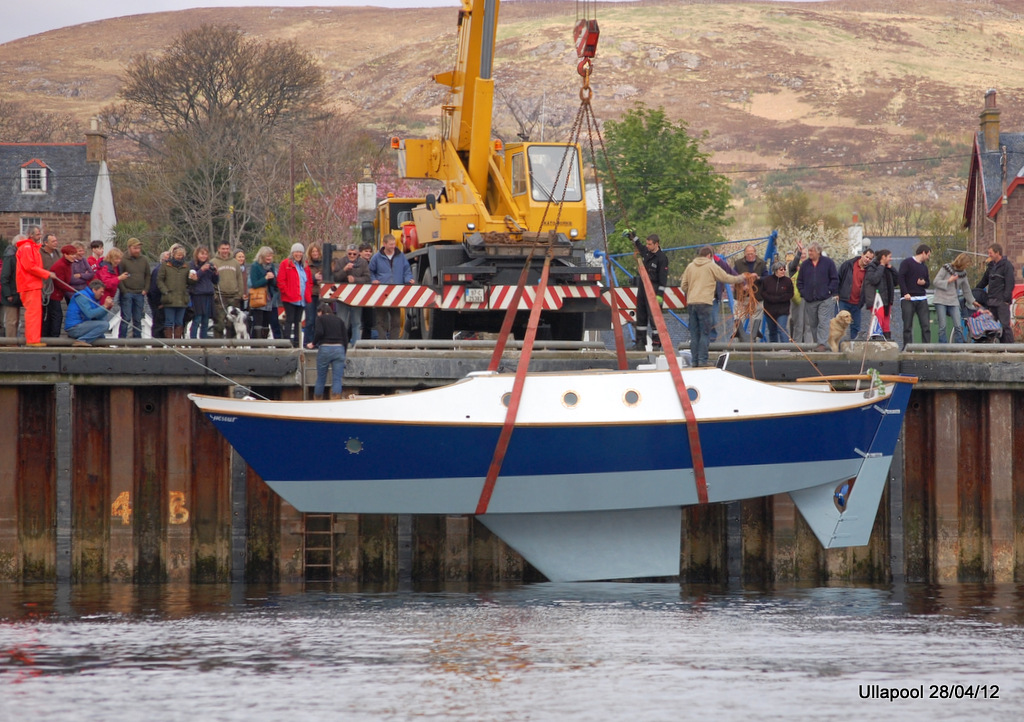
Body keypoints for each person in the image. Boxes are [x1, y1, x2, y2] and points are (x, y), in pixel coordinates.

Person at [680, 245, 748, 367]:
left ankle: (694, 361)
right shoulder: (711, 266)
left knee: (694, 334)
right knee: (705, 333)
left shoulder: (690, 266)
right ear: (709, 256)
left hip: (692, 303)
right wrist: (742, 278)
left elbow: (683, 285)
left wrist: (692, 292)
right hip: (705, 303)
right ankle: (702, 360)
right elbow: (726, 278)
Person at [628, 232, 669, 350]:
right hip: (643, 287)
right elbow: (639, 246)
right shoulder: (646, 252)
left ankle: (656, 343)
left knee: (654, 317)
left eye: (650, 244)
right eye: (647, 244)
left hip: (654, 289)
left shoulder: (662, 258)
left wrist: (660, 294)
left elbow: (663, 278)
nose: (647, 246)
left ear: (656, 244)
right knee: (641, 315)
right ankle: (640, 342)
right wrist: (633, 236)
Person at [14, 231, 55, 347]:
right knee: (33, 313)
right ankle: (32, 340)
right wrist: (47, 274)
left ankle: (33, 338)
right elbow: (30, 266)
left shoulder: (32, 248)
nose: (40, 236)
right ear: (30, 235)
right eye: (37, 234)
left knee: (35, 313)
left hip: (33, 284)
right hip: (29, 285)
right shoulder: (27, 248)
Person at [796, 242, 839, 350]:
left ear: (818, 251)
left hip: (825, 298)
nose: (809, 253)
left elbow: (834, 279)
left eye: (812, 251)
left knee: (823, 321)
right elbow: (800, 281)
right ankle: (818, 343)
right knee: (813, 323)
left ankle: (822, 344)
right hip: (810, 299)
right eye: (809, 251)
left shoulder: (828, 263)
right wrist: (803, 292)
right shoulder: (805, 265)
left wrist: (829, 290)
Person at [369, 235, 413, 340]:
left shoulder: (401, 256)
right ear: (384, 244)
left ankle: (394, 344)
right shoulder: (376, 257)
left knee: (396, 320)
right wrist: (373, 280)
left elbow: (407, 270)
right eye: (391, 244)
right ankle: (383, 343)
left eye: (394, 244)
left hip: (396, 292)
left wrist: (408, 279)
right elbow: (370, 271)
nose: (393, 246)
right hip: (381, 293)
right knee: (380, 320)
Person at [306, 302, 349, 400]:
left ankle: (317, 402)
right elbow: (345, 338)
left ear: (321, 311)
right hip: (339, 349)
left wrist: (313, 343)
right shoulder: (339, 320)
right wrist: (344, 352)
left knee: (321, 378)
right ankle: (336, 401)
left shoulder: (320, 319)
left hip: (325, 349)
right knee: (337, 379)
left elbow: (319, 332)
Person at [932, 253, 977, 343]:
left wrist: (973, 301)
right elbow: (936, 282)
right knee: (942, 326)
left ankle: (958, 346)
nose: (967, 267)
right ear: (962, 262)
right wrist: (949, 281)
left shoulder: (963, 274)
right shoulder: (946, 268)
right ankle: (943, 348)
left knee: (958, 325)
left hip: (953, 300)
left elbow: (966, 290)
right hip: (941, 299)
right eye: (966, 264)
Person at [332, 243, 371, 347]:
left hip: (357, 296)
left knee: (356, 322)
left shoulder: (363, 263)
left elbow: (367, 278)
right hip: (342, 296)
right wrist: (344, 270)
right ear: (346, 253)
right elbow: (335, 277)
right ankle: (341, 343)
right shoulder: (341, 262)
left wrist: (355, 280)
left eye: (354, 254)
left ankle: (356, 345)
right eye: (350, 254)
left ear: (358, 254)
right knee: (342, 322)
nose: (352, 256)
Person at [978, 243, 1016, 344]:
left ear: (997, 253)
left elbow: (1010, 283)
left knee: (1005, 325)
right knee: (991, 326)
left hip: (1002, 302)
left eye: (990, 253)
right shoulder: (990, 267)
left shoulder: (1007, 266)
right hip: (991, 301)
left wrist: (1005, 299)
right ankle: (994, 346)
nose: (989, 255)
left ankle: (1010, 348)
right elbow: (984, 281)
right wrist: (975, 291)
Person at [278, 242, 312, 347]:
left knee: (298, 321)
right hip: (289, 298)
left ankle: (297, 343)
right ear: (292, 253)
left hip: (301, 299)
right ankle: (287, 343)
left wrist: (308, 293)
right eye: (296, 252)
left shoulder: (305, 265)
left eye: (300, 252)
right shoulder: (285, 264)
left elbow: (309, 281)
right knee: (289, 320)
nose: (298, 254)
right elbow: (280, 281)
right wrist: (287, 292)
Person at [898, 244, 932, 348]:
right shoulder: (907, 263)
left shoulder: (924, 267)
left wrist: (924, 283)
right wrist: (905, 293)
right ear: (923, 253)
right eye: (928, 255)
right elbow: (901, 278)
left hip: (922, 299)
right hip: (908, 299)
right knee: (907, 326)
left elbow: (928, 283)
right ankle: (908, 348)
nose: (928, 258)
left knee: (926, 325)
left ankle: (927, 349)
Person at [837, 248, 874, 341]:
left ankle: (853, 347)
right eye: (866, 257)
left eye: (870, 259)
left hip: (857, 303)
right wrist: (836, 293)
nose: (868, 260)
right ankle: (838, 347)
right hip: (844, 300)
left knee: (856, 328)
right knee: (839, 326)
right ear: (862, 255)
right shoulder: (848, 265)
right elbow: (838, 278)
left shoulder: (870, 270)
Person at [731, 244, 767, 342]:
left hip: (756, 298)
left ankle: (755, 345)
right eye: (748, 254)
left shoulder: (762, 263)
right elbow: (733, 277)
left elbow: (767, 278)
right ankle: (736, 346)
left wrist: (758, 277)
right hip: (741, 298)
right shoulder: (738, 264)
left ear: (755, 253)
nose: (750, 256)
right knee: (738, 322)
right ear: (744, 254)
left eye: (752, 253)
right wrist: (742, 285)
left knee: (756, 324)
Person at [65, 279, 114, 347]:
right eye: (101, 292)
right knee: (104, 325)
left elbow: (97, 317)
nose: (102, 294)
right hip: (74, 328)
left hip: (83, 325)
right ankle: (82, 341)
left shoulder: (93, 298)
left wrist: (106, 308)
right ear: (94, 290)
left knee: (103, 321)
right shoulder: (82, 296)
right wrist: (104, 306)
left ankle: (102, 345)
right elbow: (90, 314)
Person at [862, 249, 898, 340]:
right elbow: (874, 279)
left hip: (887, 300)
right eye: (889, 257)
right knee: (878, 321)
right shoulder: (872, 267)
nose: (890, 259)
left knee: (886, 323)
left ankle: (886, 340)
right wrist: (881, 266)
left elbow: (896, 281)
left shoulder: (888, 268)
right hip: (876, 301)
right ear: (883, 257)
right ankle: (876, 340)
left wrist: (892, 269)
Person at [118, 238, 150, 338]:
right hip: (127, 293)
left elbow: (148, 275)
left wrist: (146, 289)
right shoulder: (123, 260)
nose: (137, 250)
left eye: (139, 248)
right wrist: (124, 290)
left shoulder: (144, 260)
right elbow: (118, 276)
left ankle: (137, 341)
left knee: (138, 319)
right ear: (129, 248)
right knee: (126, 318)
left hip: (140, 293)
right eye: (135, 248)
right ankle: (121, 341)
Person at [157, 244, 191, 339]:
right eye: (178, 255)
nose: (180, 257)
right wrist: (165, 291)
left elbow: (189, 282)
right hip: (169, 298)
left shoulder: (187, 266)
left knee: (179, 322)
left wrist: (193, 279)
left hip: (182, 299)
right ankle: (169, 343)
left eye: (181, 255)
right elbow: (159, 280)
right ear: (173, 255)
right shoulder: (165, 265)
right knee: (169, 322)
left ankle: (177, 343)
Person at [211, 242, 245, 339]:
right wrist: (214, 295)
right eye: (223, 248)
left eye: (227, 248)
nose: (225, 251)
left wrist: (240, 294)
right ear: (218, 249)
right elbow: (210, 280)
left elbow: (239, 279)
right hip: (220, 296)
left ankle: (231, 344)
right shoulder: (213, 262)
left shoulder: (235, 262)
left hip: (234, 296)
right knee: (219, 323)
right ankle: (218, 345)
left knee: (232, 324)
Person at [186, 245, 218, 339]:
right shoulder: (192, 265)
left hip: (208, 294)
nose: (204, 256)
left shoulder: (209, 265)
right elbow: (192, 279)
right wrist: (201, 270)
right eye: (202, 254)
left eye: (206, 254)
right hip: (197, 295)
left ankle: (203, 341)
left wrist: (216, 273)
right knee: (197, 319)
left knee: (206, 320)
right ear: (197, 254)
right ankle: (193, 340)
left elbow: (215, 281)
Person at [248, 246, 280, 339]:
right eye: (267, 256)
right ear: (262, 256)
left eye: (271, 255)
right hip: (258, 298)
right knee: (257, 324)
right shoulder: (255, 266)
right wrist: (265, 278)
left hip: (269, 299)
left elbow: (275, 284)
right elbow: (254, 284)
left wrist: (272, 278)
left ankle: (264, 343)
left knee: (266, 324)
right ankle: (256, 344)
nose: (269, 258)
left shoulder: (271, 266)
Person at [760, 261, 794, 342]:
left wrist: (779, 299)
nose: (783, 271)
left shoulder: (788, 281)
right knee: (772, 331)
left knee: (782, 329)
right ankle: (774, 347)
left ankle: (785, 347)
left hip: (783, 310)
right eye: (781, 269)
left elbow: (790, 294)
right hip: (769, 310)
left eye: (784, 269)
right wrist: (771, 298)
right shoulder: (767, 280)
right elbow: (763, 292)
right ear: (775, 270)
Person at [39, 232, 62, 338]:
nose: (55, 243)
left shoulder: (57, 253)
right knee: (43, 314)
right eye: (53, 241)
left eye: (56, 241)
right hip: (44, 288)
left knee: (56, 313)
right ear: (45, 243)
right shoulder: (40, 253)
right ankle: (43, 336)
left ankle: (54, 337)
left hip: (54, 288)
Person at [303, 242, 325, 347]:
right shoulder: (306, 265)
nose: (315, 253)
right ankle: (307, 342)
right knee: (310, 320)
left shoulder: (324, 264)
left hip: (322, 295)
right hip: (310, 294)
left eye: (317, 251)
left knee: (320, 321)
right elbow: (304, 279)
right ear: (310, 253)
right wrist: (314, 278)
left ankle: (318, 342)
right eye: (313, 251)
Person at [1, 240, 23, 338]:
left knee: (16, 320)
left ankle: (13, 341)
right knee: (11, 320)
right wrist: (8, 294)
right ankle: (10, 342)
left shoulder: (17, 256)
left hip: (16, 292)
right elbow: (5, 277)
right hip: (11, 293)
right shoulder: (10, 257)